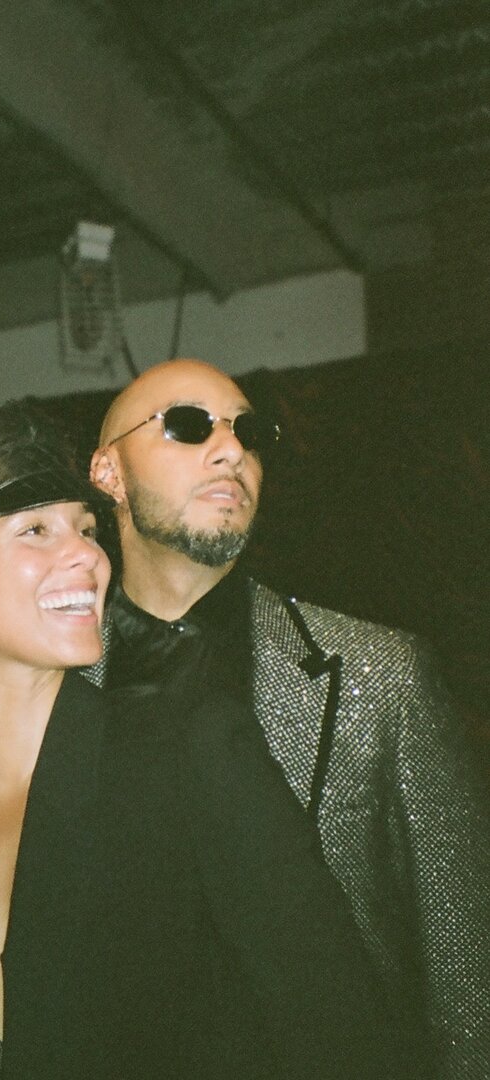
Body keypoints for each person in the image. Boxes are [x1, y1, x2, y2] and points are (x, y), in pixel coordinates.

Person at [0, 399, 399, 1080]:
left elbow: (343, 1034)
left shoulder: (186, 753)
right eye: (36, 530)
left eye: (86, 528)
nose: (87, 554)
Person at [87, 358, 490, 1080]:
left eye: (249, 433)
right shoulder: (46, 690)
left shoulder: (384, 674)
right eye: (188, 425)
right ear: (108, 473)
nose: (231, 449)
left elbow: (465, 966)